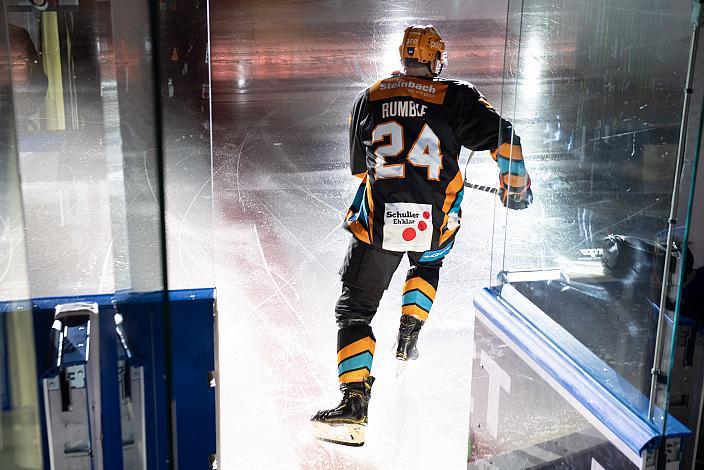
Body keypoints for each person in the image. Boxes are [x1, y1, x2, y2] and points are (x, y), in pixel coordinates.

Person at [311, 24, 533, 446]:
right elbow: (507, 140)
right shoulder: (457, 95)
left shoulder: (371, 95)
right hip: (436, 220)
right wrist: (515, 186)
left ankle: (354, 405)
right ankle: (408, 338)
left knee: (355, 312)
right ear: (435, 60)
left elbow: (359, 167)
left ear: (403, 57)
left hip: (378, 226)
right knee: (428, 260)